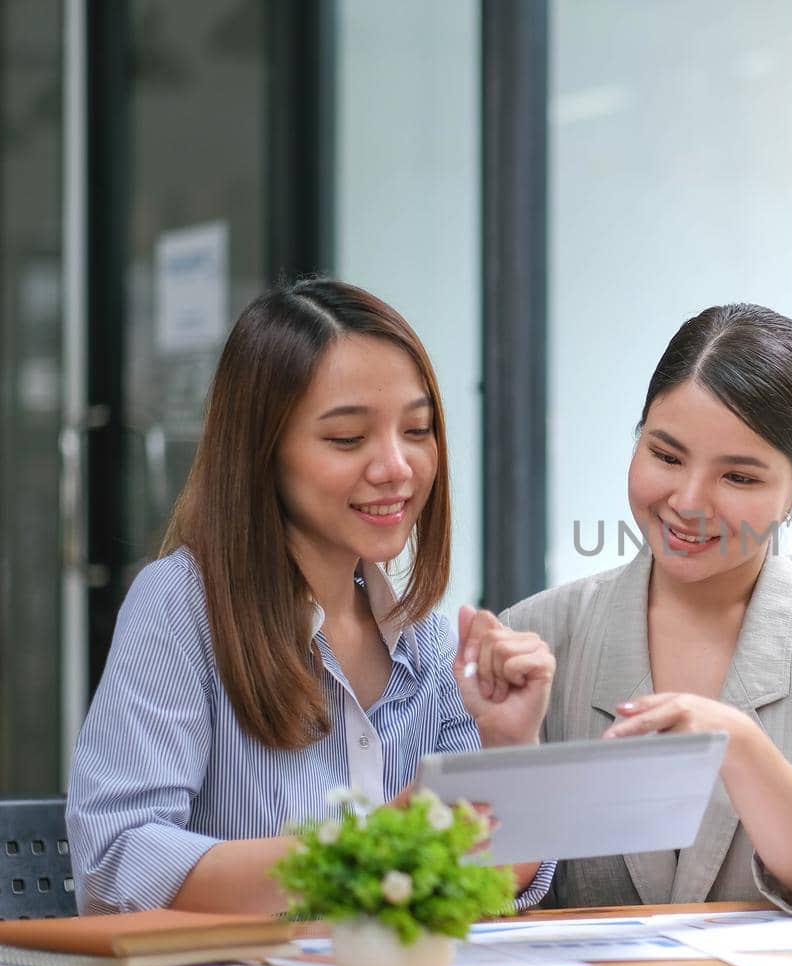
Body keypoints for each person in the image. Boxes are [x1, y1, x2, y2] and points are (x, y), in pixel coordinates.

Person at [66, 278, 554, 915]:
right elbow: (118, 863)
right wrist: (366, 847)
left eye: (417, 430)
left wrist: (510, 747)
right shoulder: (182, 605)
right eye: (347, 439)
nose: (396, 467)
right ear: (264, 452)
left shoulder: (426, 639)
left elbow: (494, 884)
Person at [501, 303, 792, 915]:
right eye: (666, 456)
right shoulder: (538, 632)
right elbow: (481, 893)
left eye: (738, 478)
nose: (688, 501)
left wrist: (738, 743)